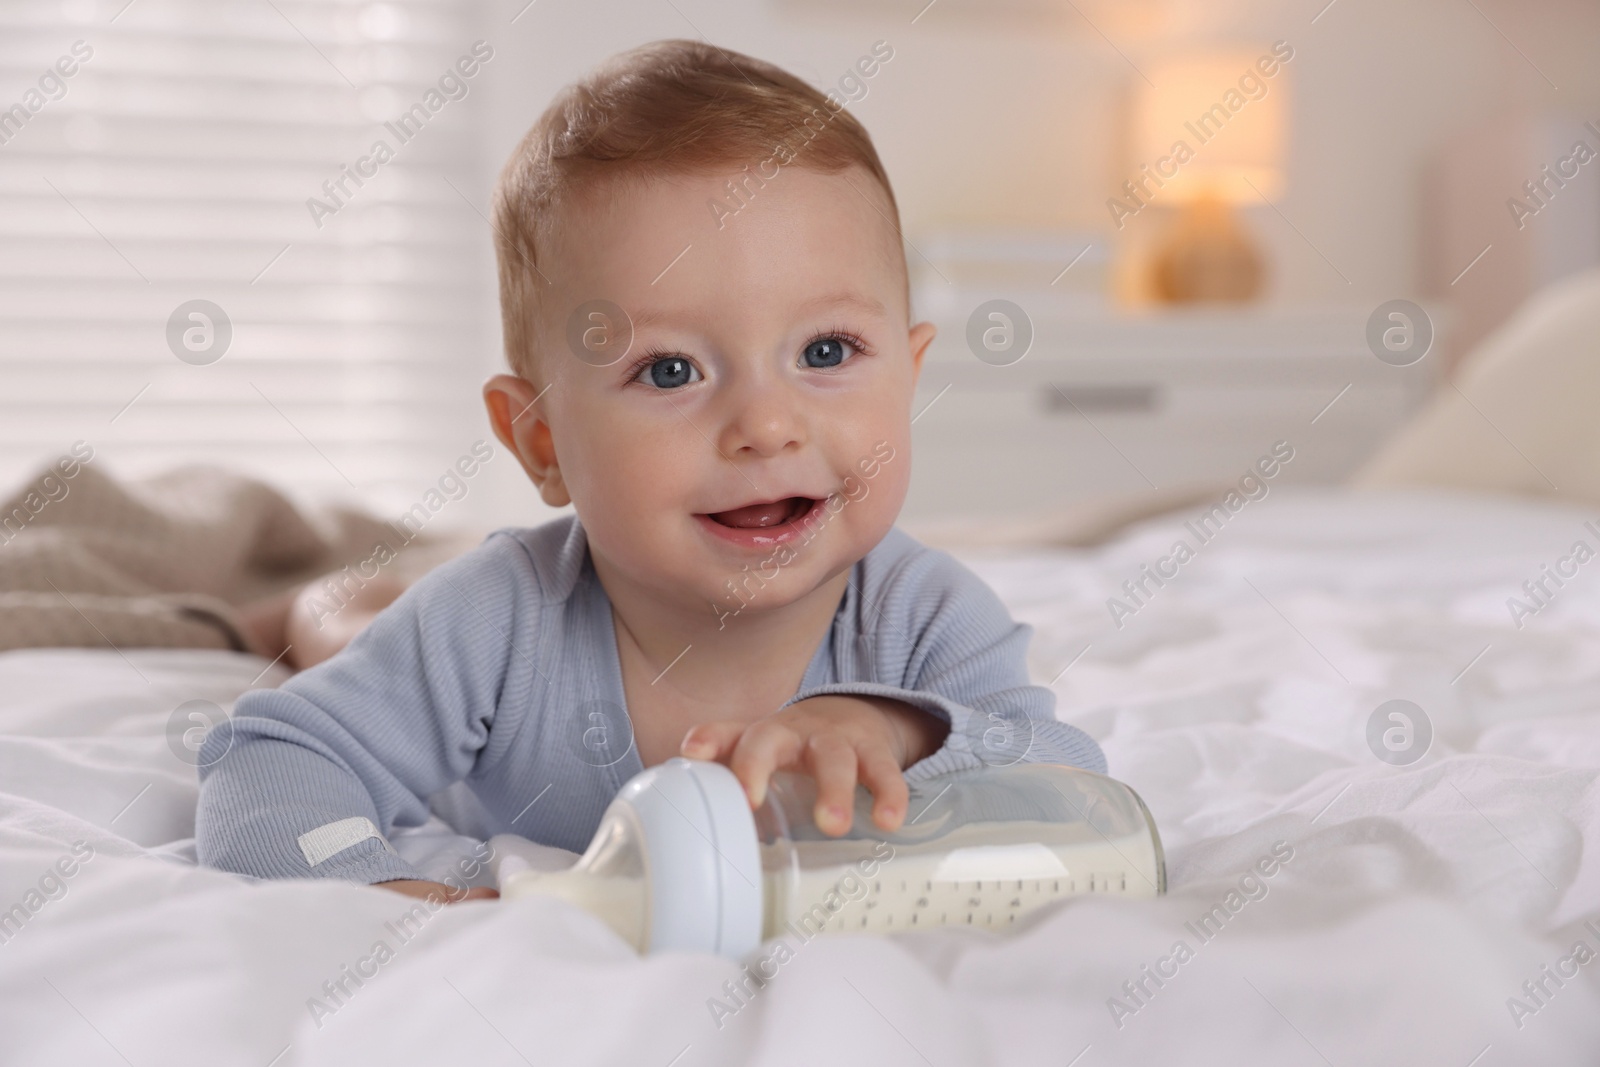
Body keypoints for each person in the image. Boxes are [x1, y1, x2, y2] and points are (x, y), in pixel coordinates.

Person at [196, 39, 1105, 907]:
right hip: (437, 611)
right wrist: (375, 888)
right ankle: (310, 604)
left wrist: (899, 728)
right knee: (350, 629)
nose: (766, 425)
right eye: (669, 370)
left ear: (910, 375)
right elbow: (271, 756)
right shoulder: (494, 623)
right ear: (543, 442)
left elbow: (1067, 779)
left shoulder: (920, 617)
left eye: (826, 349)